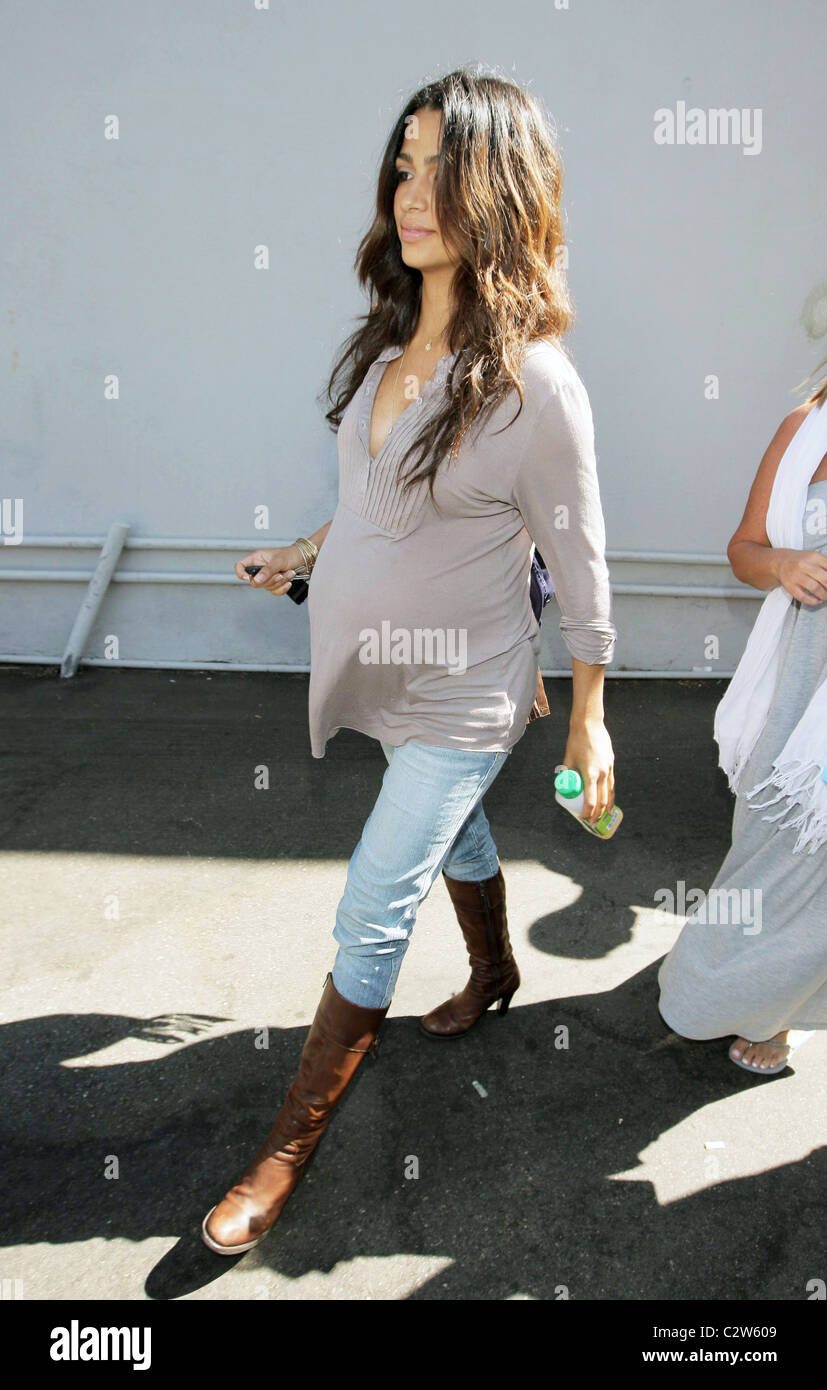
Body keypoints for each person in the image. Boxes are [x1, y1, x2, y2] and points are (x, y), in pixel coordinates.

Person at [201, 65, 617, 1256]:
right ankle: (495, 974)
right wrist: (306, 550)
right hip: (379, 668)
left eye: (443, 165)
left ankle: (284, 1147)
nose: (411, 189)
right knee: (459, 833)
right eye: (403, 162)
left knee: (374, 899)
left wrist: (586, 718)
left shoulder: (538, 384)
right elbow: (379, 498)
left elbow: (579, 562)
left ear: (504, 188)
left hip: (466, 691)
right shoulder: (388, 344)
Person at [658, 362, 827, 1074]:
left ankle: (775, 1009)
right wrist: (783, 563)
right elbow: (742, 551)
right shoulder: (800, 431)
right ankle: (750, 992)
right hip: (793, 676)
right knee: (768, 843)